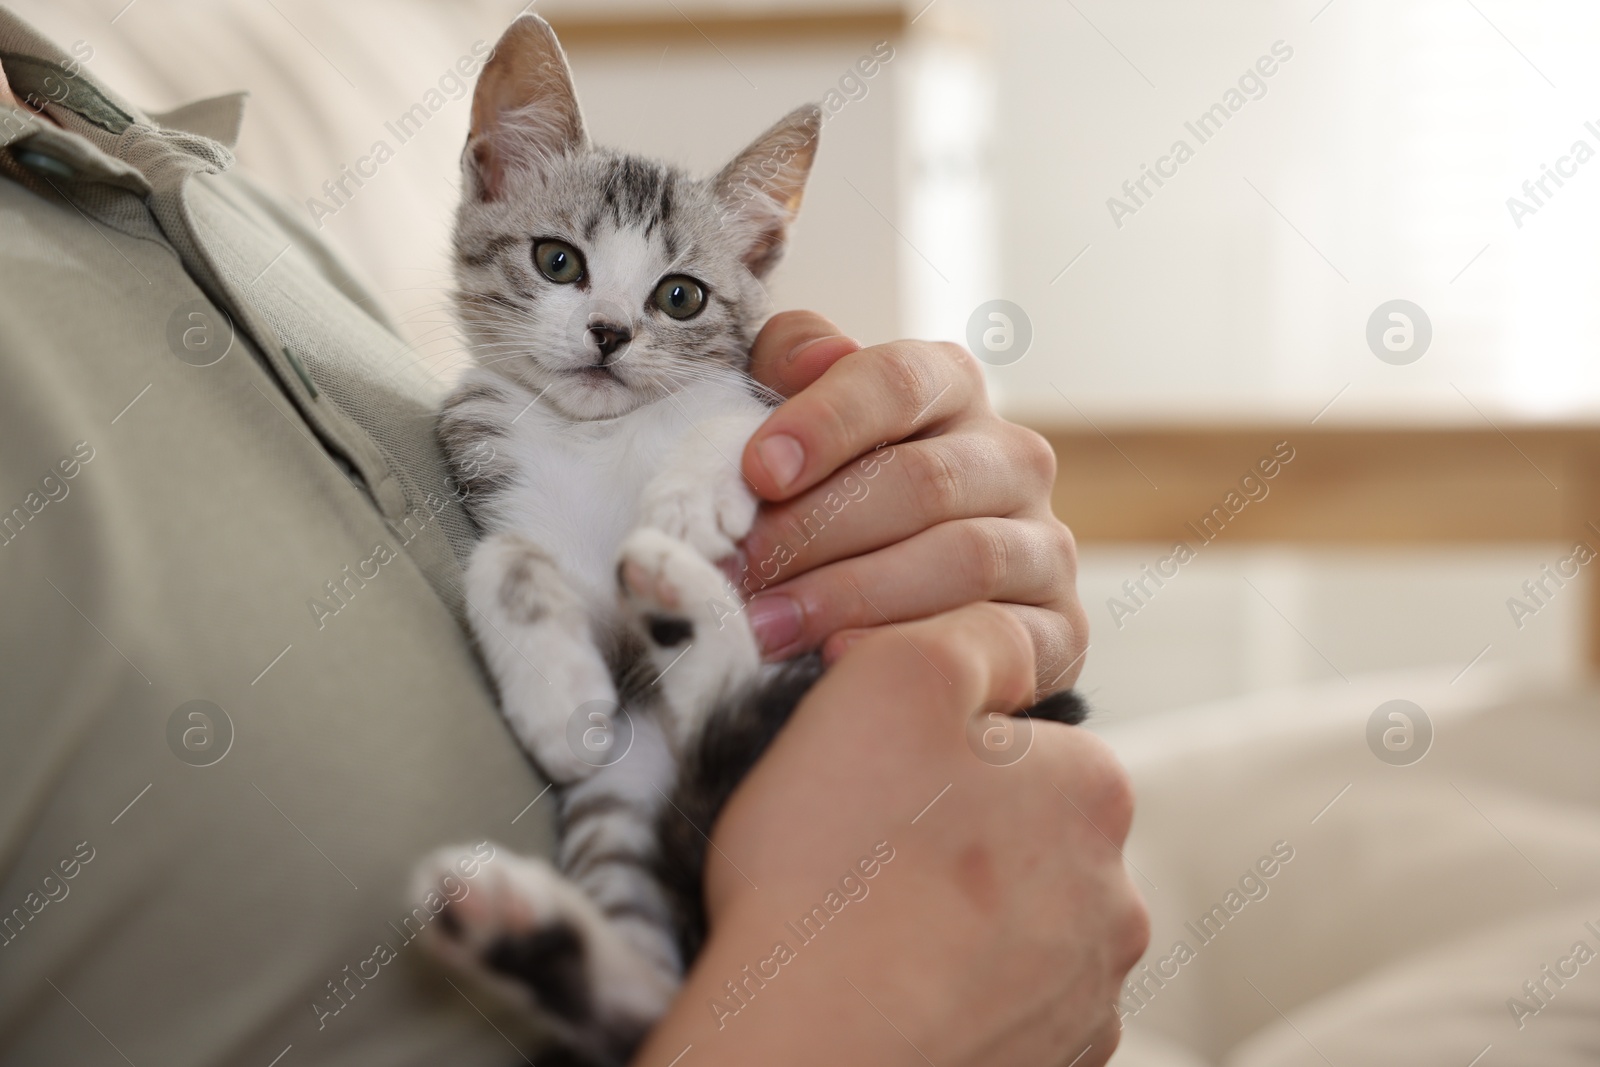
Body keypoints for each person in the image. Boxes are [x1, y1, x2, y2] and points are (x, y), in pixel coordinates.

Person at [0, 10, 1146, 1066]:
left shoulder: (179, 173)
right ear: (492, 177)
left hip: (898, 789)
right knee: (620, 757)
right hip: (809, 919)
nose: (609, 325)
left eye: (679, 299)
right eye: (562, 265)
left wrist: (964, 552)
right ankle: (633, 975)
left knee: (629, 742)